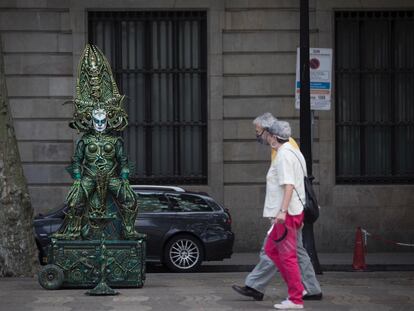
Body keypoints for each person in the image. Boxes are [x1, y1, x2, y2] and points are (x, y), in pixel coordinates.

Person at [232, 113, 321, 303]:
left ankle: (267, 289)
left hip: (287, 213)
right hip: (292, 211)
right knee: (291, 252)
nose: (258, 136)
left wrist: (281, 212)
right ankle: (308, 289)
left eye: (258, 132)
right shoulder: (286, 149)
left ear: (270, 133)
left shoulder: (283, 152)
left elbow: (288, 184)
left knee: (275, 252)